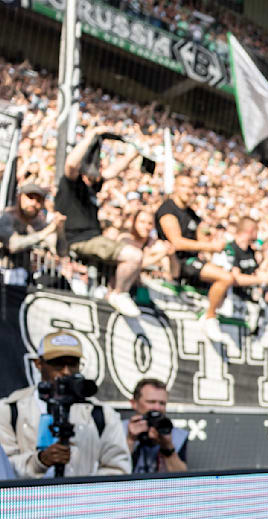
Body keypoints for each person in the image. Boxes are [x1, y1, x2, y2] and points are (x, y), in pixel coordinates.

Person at [0, 330, 131, 478]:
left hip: (83, 500)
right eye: (58, 364)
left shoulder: (102, 415)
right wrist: (40, 460)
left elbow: (118, 469)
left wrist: (80, 494)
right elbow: (5, 468)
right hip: (30, 500)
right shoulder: (9, 410)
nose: (66, 372)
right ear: (39, 364)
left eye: (72, 364)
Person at [56, 125, 143, 317]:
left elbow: (111, 172)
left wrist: (131, 154)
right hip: (80, 240)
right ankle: (118, 293)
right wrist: (91, 135)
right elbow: (71, 164)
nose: (101, 168)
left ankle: (114, 289)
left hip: (93, 238)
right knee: (133, 256)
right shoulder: (72, 184)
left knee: (130, 245)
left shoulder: (92, 187)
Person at [155, 175, 235, 344]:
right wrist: (211, 247)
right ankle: (210, 317)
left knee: (226, 276)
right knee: (225, 277)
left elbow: (201, 241)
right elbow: (177, 242)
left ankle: (211, 312)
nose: (188, 191)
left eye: (191, 187)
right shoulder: (168, 210)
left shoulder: (192, 214)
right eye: (184, 186)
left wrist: (212, 243)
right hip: (176, 261)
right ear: (175, 187)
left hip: (192, 261)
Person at [0, 184, 64, 285]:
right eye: (30, 198)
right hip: (5, 275)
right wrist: (45, 232)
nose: (34, 203)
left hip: (27, 278)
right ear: (20, 197)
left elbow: (60, 251)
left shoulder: (38, 222)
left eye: (38, 200)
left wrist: (59, 229)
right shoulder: (7, 217)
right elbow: (13, 245)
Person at [122, 378, 189, 474]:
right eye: (151, 402)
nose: (157, 408)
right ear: (134, 403)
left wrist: (167, 446)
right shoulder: (118, 429)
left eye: (162, 403)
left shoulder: (177, 435)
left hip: (162, 488)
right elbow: (111, 473)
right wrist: (130, 440)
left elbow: (182, 480)